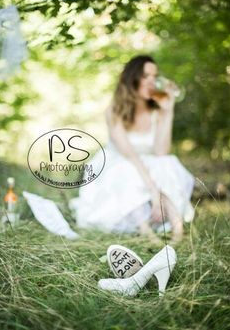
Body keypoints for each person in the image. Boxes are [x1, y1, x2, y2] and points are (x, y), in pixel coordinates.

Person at [69, 55, 195, 243]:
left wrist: (168, 111)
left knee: (166, 164)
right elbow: (130, 155)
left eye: (155, 76)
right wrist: (154, 192)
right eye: (146, 76)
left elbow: (161, 151)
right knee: (127, 170)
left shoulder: (156, 109)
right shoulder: (115, 111)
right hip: (121, 162)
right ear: (132, 79)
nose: (152, 81)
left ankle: (178, 232)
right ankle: (148, 234)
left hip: (149, 163)